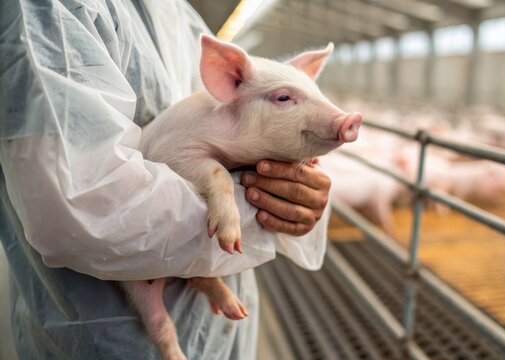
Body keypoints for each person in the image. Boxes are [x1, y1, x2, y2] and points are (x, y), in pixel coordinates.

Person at [0, 1, 331, 359]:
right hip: (113, 341)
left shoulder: (178, 14)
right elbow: (83, 208)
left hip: (226, 334)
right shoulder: (50, 9)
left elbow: (239, 137)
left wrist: (299, 196)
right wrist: (262, 213)